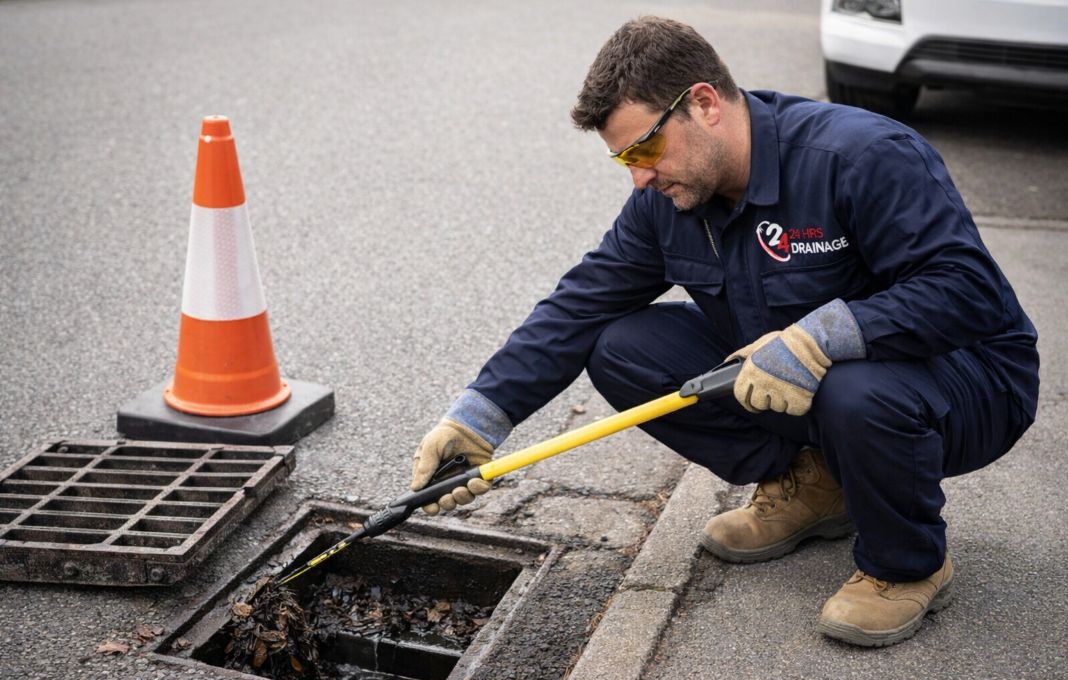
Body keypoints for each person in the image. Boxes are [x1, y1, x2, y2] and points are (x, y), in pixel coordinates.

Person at [410, 16, 1039, 647]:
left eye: (645, 149)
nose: (639, 176)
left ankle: (907, 566)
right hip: (825, 385)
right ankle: (816, 485)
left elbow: (968, 291)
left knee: (855, 387)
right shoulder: (668, 200)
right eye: (624, 159)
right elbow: (581, 303)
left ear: (704, 104)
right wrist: (481, 415)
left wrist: (824, 335)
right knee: (619, 347)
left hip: (968, 383)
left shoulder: (860, 156)